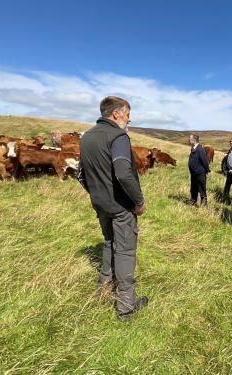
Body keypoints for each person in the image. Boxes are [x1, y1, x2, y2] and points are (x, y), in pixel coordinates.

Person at [79, 96, 148, 321]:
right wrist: (138, 201)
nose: (129, 119)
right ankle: (126, 307)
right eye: (128, 114)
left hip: (100, 204)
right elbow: (123, 173)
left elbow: (81, 174)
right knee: (126, 250)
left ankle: (103, 289)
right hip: (120, 207)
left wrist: (96, 192)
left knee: (109, 243)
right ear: (116, 114)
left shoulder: (86, 137)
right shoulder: (118, 136)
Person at [188, 134, 210, 206]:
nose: (188, 140)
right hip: (194, 173)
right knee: (193, 188)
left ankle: (203, 203)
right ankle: (193, 200)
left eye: (190, 139)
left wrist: (206, 170)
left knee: (202, 188)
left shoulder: (200, 149)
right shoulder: (193, 148)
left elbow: (205, 161)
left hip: (200, 173)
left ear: (194, 140)